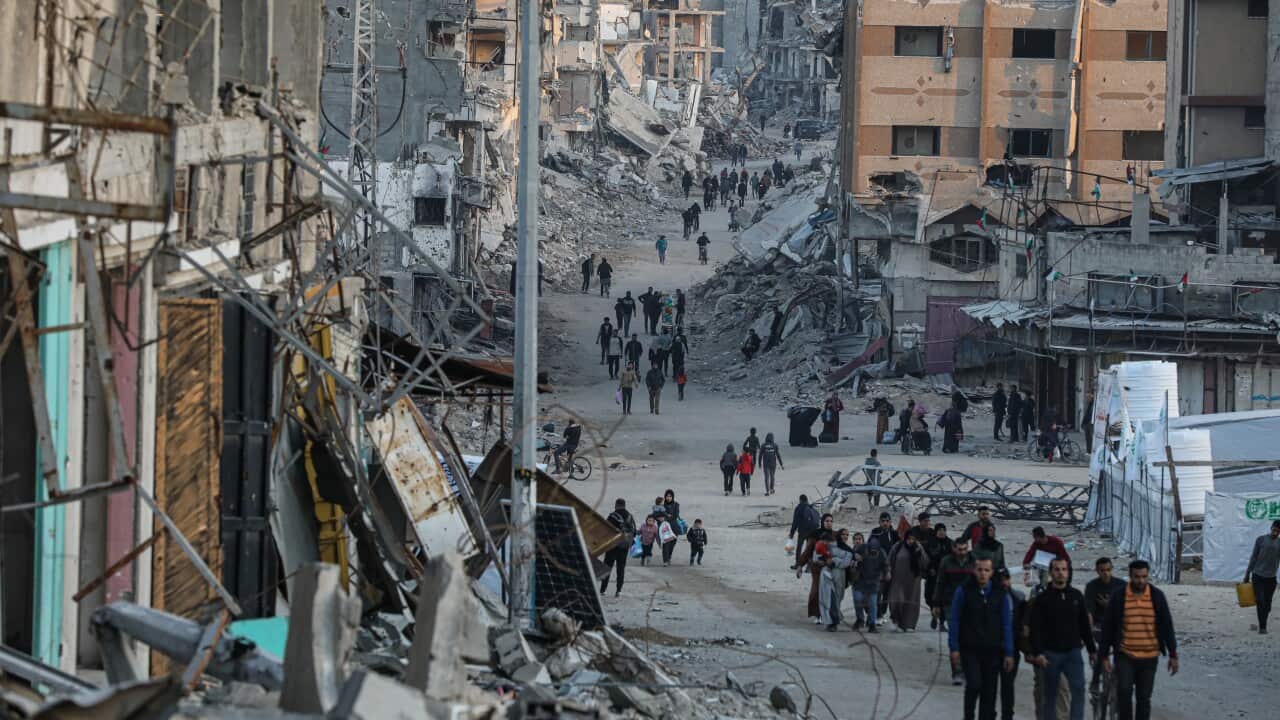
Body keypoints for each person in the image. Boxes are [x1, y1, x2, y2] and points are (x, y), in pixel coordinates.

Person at [1097, 560, 1178, 720]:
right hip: (1125, 655)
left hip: (1150, 656)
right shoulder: (1119, 597)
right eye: (1136, 577)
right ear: (1130, 576)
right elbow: (1108, 628)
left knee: (1144, 698)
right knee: (1124, 693)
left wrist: (1173, 654)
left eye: (1144, 577)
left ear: (1148, 576)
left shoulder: (1157, 596)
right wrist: (1104, 656)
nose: (1140, 581)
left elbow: (1167, 626)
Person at [949, 557, 1016, 720]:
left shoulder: (1000, 594)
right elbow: (954, 619)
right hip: (969, 648)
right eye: (980, 570)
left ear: (992, 572)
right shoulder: (964, 591)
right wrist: (954, 647)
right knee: (973, 685)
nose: (983, 574)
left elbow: (1006, 623)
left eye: (986, 570)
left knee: (989, 692)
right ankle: (969, 716)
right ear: (974, 570)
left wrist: (1009, 651)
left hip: (993, 650)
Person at [1028, 557, 1095, 720]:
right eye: (1057, 569)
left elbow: (1084, 626)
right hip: (1051, 654)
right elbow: (1035, 628)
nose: (1060, 573)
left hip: (1073, 653)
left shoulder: (1076, 596)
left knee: (1079, 690)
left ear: (1068, 572)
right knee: (1051, 695)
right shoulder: (1043, 599)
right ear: (1051, 572)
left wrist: (1092, 650)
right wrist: (1039, 653)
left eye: (1064, 569)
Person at [935, 538, 977, 685]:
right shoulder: (946, 561)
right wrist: (936, 604)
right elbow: (940, 582)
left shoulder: (974, 561)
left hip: (970, 604)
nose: (962, 552)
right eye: (959, 549)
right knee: (955, 637)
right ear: (954, 548)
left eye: (965, 549)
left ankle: (968, 669)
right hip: (950, 603)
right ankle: (957, 671)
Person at [1243, 519, 1280, 634]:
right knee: (1260, 600)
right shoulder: (1261, 539)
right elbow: (1253, 557)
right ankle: (1262, 627)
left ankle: (1263, 619)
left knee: (1267, 604)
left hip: (1271, 578)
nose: (1275, 532)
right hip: (1258, 575)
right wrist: (1247, 574)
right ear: (1271, 528)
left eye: (1278, 531)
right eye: (1274, 529)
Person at [798, 514, 836, 623]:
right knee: (816, 591)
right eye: (827, 521)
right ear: (822, 522)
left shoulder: (834, 535)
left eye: (831, 521)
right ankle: (817, 614)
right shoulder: (815, 535)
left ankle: (828, 613)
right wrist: (800, 565)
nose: (829, 523)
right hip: (817, 567)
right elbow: (808, 551)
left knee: (829, 592)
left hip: (830, 567)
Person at [1000, 568, 1027, 720]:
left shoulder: (1018, 598)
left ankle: (1007, 716)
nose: (1004, 582)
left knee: (1008, 686)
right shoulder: (989, 598)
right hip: (993, 649)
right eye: (1001, 579)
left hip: (1012, 649)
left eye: (1006, 578)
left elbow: (1024, 625)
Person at [888, 531, 927, 632]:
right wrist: (888, 572)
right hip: (898, 578)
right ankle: (896, 621)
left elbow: (925, 563)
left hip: (913, 580)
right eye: (909, 538)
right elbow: (889, 560)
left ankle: (909, 624)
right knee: (897, 600)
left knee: (911, 602)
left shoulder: (918, 548)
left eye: (913, 539)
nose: (911, 541)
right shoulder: (897, 547)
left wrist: (920, 552)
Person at [819, 529, 857, 631]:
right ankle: (831, 622)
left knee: (837, 599)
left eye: (847, 535)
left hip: (840, 575)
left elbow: (846, 563)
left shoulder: (849, 551)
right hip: (827, 574)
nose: (845, 536)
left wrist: (834, 560)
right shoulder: (830, 546)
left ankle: (834, 621)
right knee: (828, 598)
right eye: (843, 534)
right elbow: (819, 557)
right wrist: (826, 561)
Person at [600, 499, 636, 596]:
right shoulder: (630, 516)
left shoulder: (612, 516)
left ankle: (603, 590)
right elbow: (634, 532)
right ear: (624, 505)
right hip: (624, 546)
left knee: (607, 567)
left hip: (612, 545)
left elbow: (605, 529)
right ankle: (618, 590)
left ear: (616, 505)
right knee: (621, 568)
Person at [924, 523, 953, 629]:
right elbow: (924, 559)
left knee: (943, 600)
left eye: (943, 530)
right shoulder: (929, 544)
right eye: (939, 530)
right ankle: (934, 614)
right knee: (929, 597)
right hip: (932, 576)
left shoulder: (950, 544)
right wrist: (928, 569)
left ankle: (941, 622)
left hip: (946, 577)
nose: (941, 532)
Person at [789, 494, 821, 568]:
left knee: (799, 547)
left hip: (803, 531)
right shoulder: (812, 508)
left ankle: (798, 564)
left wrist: (792, 533)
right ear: (807, 500)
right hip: (812, 531)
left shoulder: (799, 508)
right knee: (809, 549)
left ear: (800, 500)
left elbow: (795, 522)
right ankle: (809, 567)